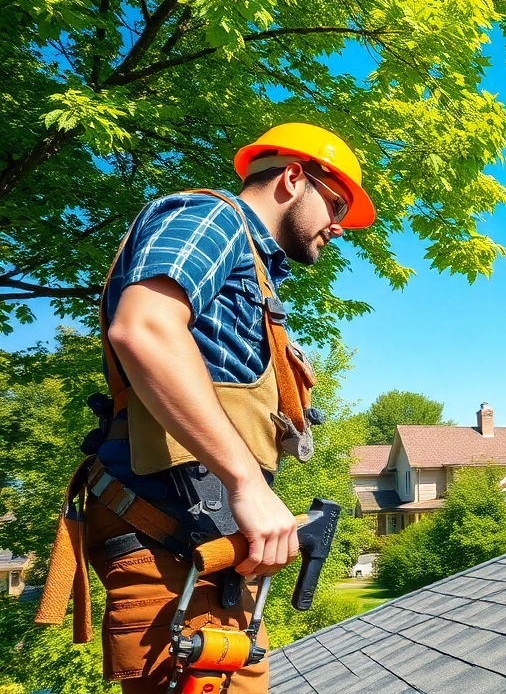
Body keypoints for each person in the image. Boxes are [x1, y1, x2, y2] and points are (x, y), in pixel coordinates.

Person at [36, 123, 375, 693]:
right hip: (167, 541)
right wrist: (246, 483)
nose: (338, 226)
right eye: (335, 203)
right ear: (293, 177)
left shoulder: (256, 270)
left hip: (204, 551)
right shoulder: (210, 218)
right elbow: (143, 328)